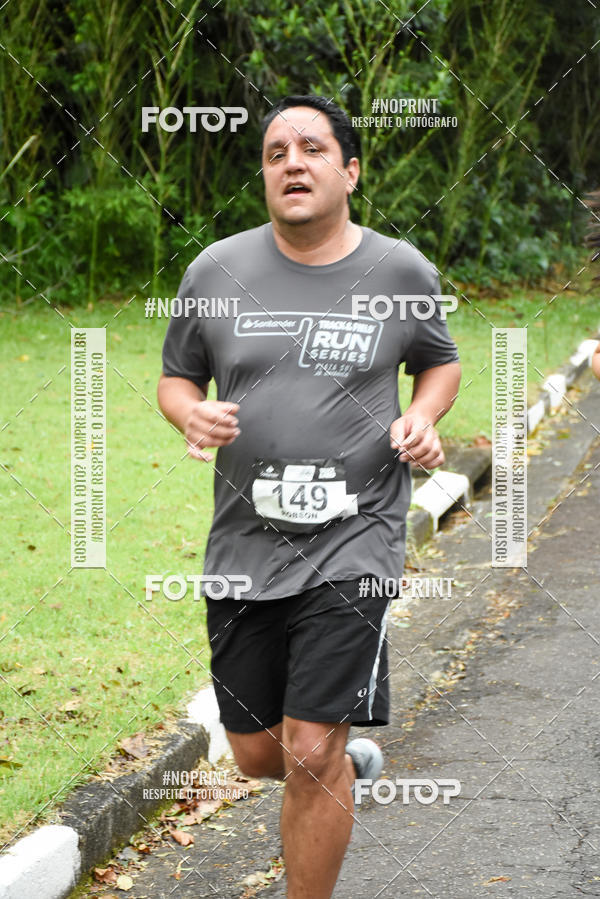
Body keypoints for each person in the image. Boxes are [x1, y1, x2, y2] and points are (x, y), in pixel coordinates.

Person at [158, 94, 461, 899]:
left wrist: (424, 416)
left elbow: (438, 360)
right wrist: (193, 412)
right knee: (258, 751)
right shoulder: (215, 270)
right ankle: (344, 760)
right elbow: (176, 375)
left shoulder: (399, 269)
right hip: (245, 544)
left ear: (350, 170)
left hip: (356, 539)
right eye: (274, 153)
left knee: (309, 748)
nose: (292, 162)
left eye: (313, 149)